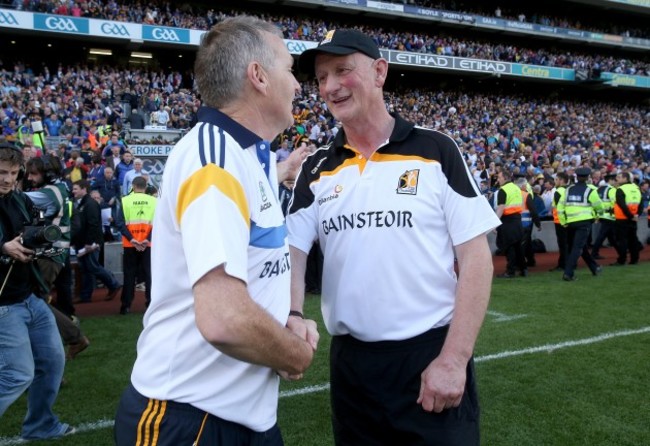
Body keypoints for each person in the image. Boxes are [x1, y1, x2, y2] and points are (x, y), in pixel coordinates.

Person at [288, 29, 500, 445]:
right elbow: (291, 251)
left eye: (342, 71)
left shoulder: (436, 149)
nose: (329, 87)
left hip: (429, 357)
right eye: (321, 77)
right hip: (352, 368)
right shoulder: (315, 168)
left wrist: (454, 360)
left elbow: (476, 257)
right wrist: (292, 314)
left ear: (379, 72)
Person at [114, 16, 318, 445]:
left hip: (236, 416)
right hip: (192, 418)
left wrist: (280, 169)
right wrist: (293, 350)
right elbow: (224, 319)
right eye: (289, 68)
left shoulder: (247, 155)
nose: (298, 85)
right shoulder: (215, 161)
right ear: (258, 77)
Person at [0, 143, 76, 440]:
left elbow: (33, 232)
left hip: (29, 296)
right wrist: (3, 248)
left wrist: (36, 244)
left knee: (52, 362)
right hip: (4, 305)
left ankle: (40, 425)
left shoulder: (20, 200)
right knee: (17, 374)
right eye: (1, 173)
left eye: (12, 173)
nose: (6, 179)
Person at [24, 155, 90, 359]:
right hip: (51, 254)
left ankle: (71, 339)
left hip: (48, 254)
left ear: (49, 174)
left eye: (34, 174)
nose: (30, 178)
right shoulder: (57, 189)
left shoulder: (49, 193)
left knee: (32, 303)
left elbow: (16, 199)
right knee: (36, 302)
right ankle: (70, 339)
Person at [71, 179, 122, 303]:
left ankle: (113, 284)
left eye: (76, 189)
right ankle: (85, 296)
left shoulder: (90, 204)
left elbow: (93, 225)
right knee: (86, 268)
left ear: (84, 189)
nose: (73, 191)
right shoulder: (81, 203)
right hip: (82, 242)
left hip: (91, 243)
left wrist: (89, 243)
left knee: (93, 267)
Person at [115, 176, 156, 314]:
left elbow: (120, 223)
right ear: (145, 187)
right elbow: (158, 224)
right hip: (148, 244)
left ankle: (125, 306)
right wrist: (147, 239)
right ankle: (150, 303)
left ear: (133, 186)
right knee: (149, 274)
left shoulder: (125, 200)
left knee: (129, 274)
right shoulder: (154, 201)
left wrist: (132, 239)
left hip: (129, 244)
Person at [557, 167, 603, 281]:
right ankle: (568, 273)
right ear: (588, 178)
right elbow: (599, 207)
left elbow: (560, 207)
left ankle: (594, 267)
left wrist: (563, 221)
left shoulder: (567, 190)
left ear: (576, 177)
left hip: (570, 223)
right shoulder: (590, 191)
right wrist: (598, 216)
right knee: (577, 248)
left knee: (580, 247)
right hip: (584, 223)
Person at [495, 169, 526, 278]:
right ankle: (523, 269)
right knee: (518, 246)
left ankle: (510, 271)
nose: (498, 180)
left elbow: (501, 208)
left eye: (499, 177)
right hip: (517, 219)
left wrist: (495, 223)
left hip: (507, 221)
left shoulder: (503, 190)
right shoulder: (516, 188)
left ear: (504, 177)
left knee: (509, 247)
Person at [612, 171, 642, 266]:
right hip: (633, 219)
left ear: (625, 178)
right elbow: (640, 204)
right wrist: (636, 215)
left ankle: (622, 260)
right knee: (633, 239)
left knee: (622, 240)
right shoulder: (636, 188)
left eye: (620, 177)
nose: (617, 179)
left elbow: (622, 205)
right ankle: (634, 259)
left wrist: (630, 215)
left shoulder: (620, 189)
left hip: (622, 218)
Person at [591, 173, 618, 259]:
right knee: (602, 235)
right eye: (615, 180)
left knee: (611, 236)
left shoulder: (599, 189)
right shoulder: (612, 190)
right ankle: (594, 253)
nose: (616, 182)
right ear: (610, 180)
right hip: (609, 215)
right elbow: (615, 202)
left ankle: (621, 251)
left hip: (601, 214)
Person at [517, 177, 541, 267]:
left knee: (525, 243)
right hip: (526, 223)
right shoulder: (526, 195)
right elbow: (533, 210)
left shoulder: (513, 195)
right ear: (523, 186)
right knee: (524, 244)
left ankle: (529, 260)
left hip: (516, 223)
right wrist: (538, 224)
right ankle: (523, 264)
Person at [550, 172, 569, 272]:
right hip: (569, 220)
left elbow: (558, 207)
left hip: (560, 221)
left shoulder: (558, 192)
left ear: (561, 180)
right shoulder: (569, 190)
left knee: (562, 244)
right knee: (568, 243)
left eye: (556, 180)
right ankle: (567, 263)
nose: (555, 182)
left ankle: (563, 264)